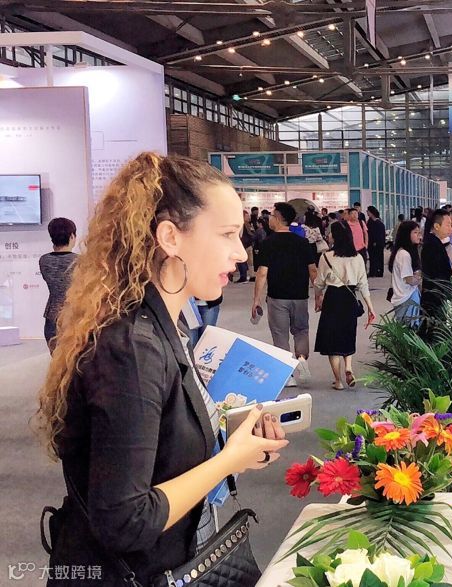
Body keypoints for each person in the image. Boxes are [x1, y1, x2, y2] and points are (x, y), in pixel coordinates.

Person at [35, 153, 289, 585]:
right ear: (170, 237)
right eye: (227, 234)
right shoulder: (133, 349)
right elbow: (124, 520)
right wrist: (228, 460)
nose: (240, 252)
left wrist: (238, 443)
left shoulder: (169, 325)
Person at [253, 202, 317, 387]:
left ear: (279, 218)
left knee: (280, 334)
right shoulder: (302, 242)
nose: (269, 219)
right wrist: (319, 294)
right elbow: (313, 270)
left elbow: (262, 273)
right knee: (301, 330)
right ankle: (302, 359)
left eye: (272, 216)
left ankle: (288, 375)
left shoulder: (268, 243)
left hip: (277, 296)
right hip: (300, 296)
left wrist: (256, 299)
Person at [314, 221, 376, 390]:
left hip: (333, 299)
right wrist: (370, 307)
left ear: (335, 236)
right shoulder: (358, 257)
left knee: (332, 341)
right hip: (350, 299)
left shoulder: (326, 257)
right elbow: (363, 284)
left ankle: (338, 381)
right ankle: (348, 367)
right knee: (347, 334)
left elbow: (319, 283)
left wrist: (318, 298)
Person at [39, 217, 79, 352]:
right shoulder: (80, 261)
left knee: (57, 359)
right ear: (72, 236)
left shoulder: (44, 260)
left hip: (52, 316)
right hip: (75, 316)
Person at [420, 209, 452, 337]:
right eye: (447, 225)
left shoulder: (436, 242)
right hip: (434, 294)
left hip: (437, 293)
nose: (450, 228)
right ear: (436, 226)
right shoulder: (432, 245)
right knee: (434, 331)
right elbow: (436, 272)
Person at [388, 221, 422, 328]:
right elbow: (409, 279)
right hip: (407, 297)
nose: (419, 236)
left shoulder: (404, 252)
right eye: (415, 232)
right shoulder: (404, 254)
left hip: (406, 296)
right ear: (406, 234)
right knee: (409, 329)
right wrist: (420, 278)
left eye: (419, 232)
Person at [366, 206, 386, 277]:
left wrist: (376, 242)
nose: (367, 213)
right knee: (372, 258)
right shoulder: (370, 221)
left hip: (376, 243)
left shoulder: (377, 222)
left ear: (371, 212)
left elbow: (378, 234)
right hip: (371, 243)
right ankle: (373, 271)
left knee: (377, 257)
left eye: (368, 211)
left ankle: (377, 271)